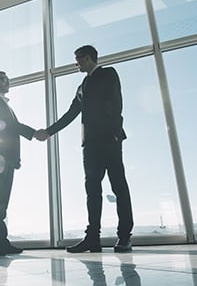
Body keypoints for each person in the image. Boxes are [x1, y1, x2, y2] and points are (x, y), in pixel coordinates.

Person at [35, 45, 133, 253]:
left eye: (78, 59)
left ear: (88, 58)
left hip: (109, 140)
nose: (76, 63)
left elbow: (117, 103)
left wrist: (115, 132)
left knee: (119, 187)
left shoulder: (108, 73)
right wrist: (49, 131)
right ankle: (92, 239)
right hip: (90, 145)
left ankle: (124, 237)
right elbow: (71, 114)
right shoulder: (82, 86)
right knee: (92, 191)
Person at [0, 71, 36, 256]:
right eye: (2, 79)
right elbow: (6, 126)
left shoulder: (2, 103)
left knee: (0, 203)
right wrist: (33, 132)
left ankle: (0, 242)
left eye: (7, 78)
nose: (6, 81)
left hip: (5, 158)